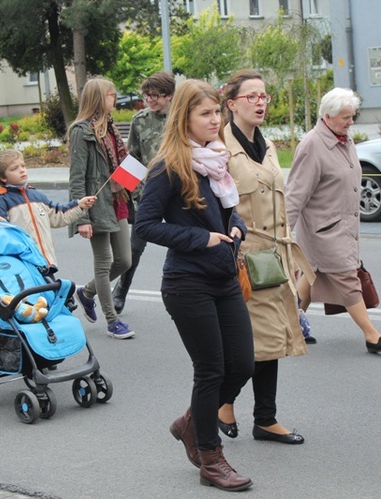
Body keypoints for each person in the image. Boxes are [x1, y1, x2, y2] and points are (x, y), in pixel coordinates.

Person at [135, 79, 254, 491]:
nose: (215, 120)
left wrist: (235, 228)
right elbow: (145, 224)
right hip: (187, 283)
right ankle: (209, 456)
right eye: (205, 114)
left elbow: (230, 213)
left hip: (222, 277)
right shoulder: (168, 166)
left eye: (217, 112)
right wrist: (201, 238)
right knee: (210, 370)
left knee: (242, 364)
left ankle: (191, 421)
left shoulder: (216, 161)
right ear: (183, 117)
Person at [218, 69, 312, 446]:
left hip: (274, 257)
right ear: (232, 104)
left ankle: (265, 419)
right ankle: (224, 402)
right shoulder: (219, 149)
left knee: (271, 341)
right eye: (251, 96)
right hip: (242, 259)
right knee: (251, 344)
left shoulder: (268, 145)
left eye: (264, 96)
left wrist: (289, 255)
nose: (260, 102)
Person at [285, 88, 381, 354]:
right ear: (328, 116)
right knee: (347, 278)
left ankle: (291, 324)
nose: (351, 121)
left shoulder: (345, 139)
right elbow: (296, 191)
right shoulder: (312, 144)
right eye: (346, 116)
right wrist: (284, 230)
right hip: (323, 230)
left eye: (352, 116)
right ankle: (372, 335)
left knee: (311, 276)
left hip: (344, 226)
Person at [68, 77, 134, 339]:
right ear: (97, 97)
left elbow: (120, 165)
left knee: (125, 260)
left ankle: (87, 293)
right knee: (104, 262)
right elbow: (77, 177)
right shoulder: (80, 131)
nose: (114, 99)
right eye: (111, 95)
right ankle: (112, 321)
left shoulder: (111, 129)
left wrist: (130, 181)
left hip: (116, 201)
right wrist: (82, 216)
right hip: (95, 205)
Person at [112, 71, 175, 314]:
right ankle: (121, 290)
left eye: (155, 96)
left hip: (180, 191)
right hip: (149, 193)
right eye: (146, 95)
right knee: (135, 247)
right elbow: (133, 157)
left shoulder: (182, 117)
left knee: (184, 242)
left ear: (169, 95)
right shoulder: (140, 120)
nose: (150, 100)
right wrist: (128, 192)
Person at [0, 148, 96, 268]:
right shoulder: (0, 200)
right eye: (14, 169)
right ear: (3, 177)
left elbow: (57, 216)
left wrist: (79, 205)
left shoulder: (36, 195)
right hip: (22, 265)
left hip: (46, 262)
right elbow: (1, 235)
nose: (22, 170)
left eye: (23, 166)